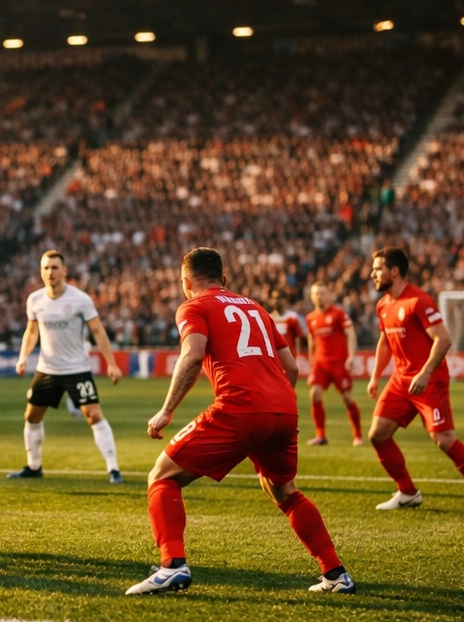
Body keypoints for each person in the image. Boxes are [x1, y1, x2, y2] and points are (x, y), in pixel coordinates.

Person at [132, 247, 353, 595]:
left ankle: (171, 565)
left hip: (241, 407)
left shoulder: (193, 306)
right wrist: (274, 407)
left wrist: (167, 410)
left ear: (185, 282)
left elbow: (191, 357)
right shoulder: (258, 308)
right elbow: (292, 368)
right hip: (284, 408)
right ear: (224, 279)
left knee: (162, 476)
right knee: (283, 490)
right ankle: (336, 573)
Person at [366, 246, 464, 515]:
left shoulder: (419, 301)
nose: (372, 274)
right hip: (401, 380)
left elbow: (443, 339)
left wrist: (425, 373)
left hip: (430, 379)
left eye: (377, 269)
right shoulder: (383, 305)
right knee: (377, 435)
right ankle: (408, 492)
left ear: (394, 271)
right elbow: (385, 342)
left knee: (444, 439)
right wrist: (375, 376)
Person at [9, 249, 125, 483]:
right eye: (45, 268)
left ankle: (113, 469)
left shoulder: (80, 299)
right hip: (47, 369)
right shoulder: (35, 300)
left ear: (64, 271)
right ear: (41, 272)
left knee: (93, 414)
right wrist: (23, 357)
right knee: (31, 416)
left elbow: (97, 331)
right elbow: (32, 331)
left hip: (76, 369)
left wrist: (111, 363)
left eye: (54, 267)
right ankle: (34, 466)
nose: (50, 272)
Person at [303, 281, 363, 446]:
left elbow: (350, 334)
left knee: (347, 398)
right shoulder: (310, 318)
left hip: (339, 363)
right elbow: (311, 342)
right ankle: (320, 435)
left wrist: (351, 356)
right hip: (320, 364)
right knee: (314, 394)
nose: (318, 296)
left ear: (328, 295)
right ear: (312, 296)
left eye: (322, 293)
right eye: (315, 293)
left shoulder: (338, 313)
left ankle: (358, 435)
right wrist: (311, 362)